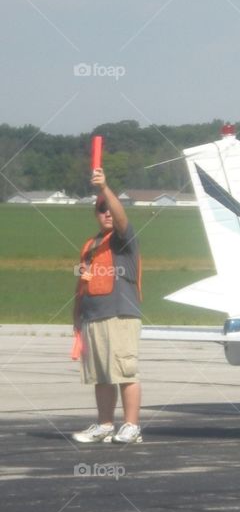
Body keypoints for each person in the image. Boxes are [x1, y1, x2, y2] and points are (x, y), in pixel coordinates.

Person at [71, 167, 144, 444]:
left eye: (110, 208)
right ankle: (104, 425)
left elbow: (122, 216)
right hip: (93, 317)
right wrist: (77, 318)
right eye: (102, 209)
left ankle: (131, 426)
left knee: (125, 371)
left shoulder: (124, 240)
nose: (108, 213)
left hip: (120, 315)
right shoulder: (90, 244)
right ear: (96, 214)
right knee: (102, 375)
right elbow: (81, 284)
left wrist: (104, 188)